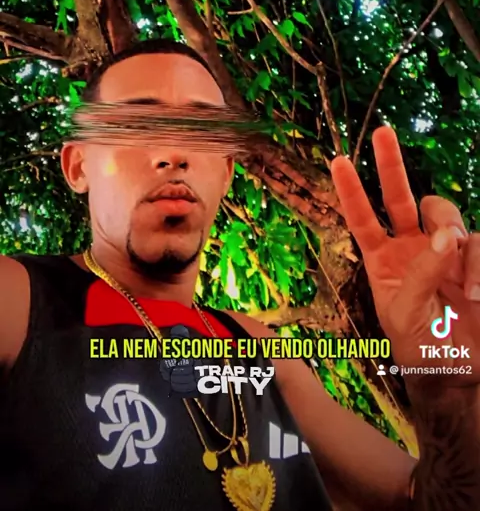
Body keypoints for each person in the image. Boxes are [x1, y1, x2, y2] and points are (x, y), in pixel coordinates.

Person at [0, 38, 479, 511]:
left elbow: (434, 501)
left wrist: (449, 392)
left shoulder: (261, 351)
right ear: (78, 165)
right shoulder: (19, 303)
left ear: (226, 173)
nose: (174, 152)